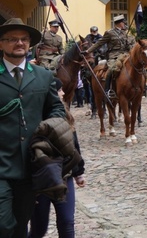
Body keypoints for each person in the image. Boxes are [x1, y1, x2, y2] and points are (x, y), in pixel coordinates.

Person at [0, 17, 66, 237]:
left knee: (20, 226)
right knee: (4, 224)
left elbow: (56, 110)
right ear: (1, 44)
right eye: (12, 39)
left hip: (31, 166)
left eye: (24, 39)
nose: (19, 43)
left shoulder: (44, 76)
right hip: (1, 166)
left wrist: (47, 132)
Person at [28, 78, 85, 238]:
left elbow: (73, 144)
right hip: (42, 178)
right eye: (59, 90)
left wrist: (79, 171)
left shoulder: (64, 113)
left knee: (67, 222)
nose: (63, 93)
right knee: (39, 228)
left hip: (64, 175)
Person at [85, 15, 135, 99]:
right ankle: (107, 90)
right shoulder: (109, 33)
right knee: (112, 69)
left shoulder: (124, 33)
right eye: (123, 22)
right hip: (114, 55)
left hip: (125, 55)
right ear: (119, 23)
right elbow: (99, 43)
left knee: (136, 66)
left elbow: (127, 46)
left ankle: (140, 87)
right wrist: (88, 51)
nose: (124, 24)